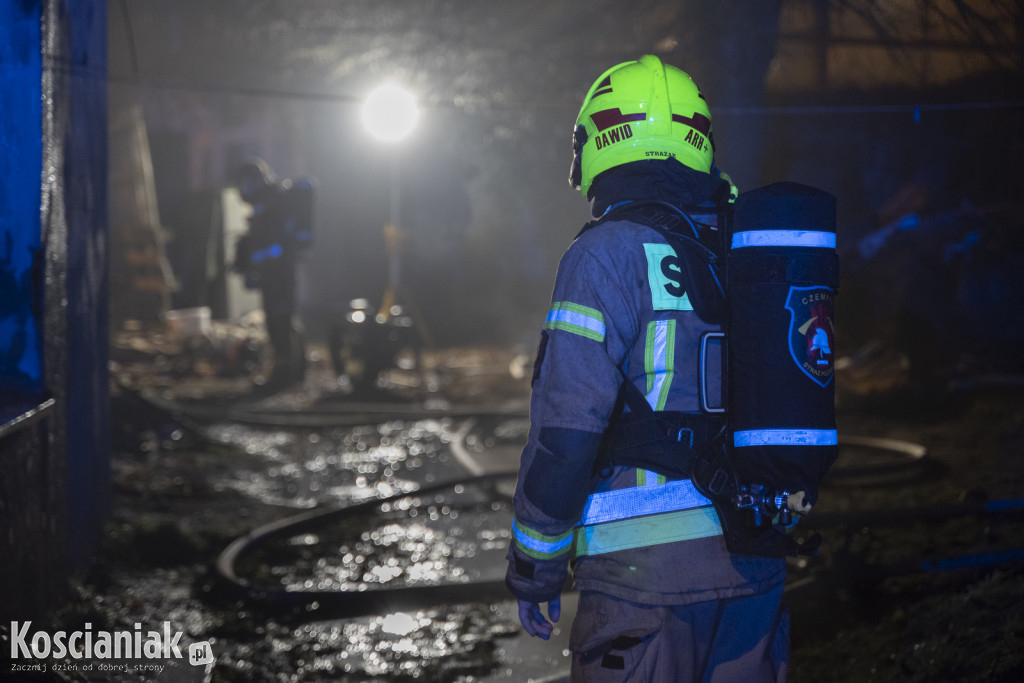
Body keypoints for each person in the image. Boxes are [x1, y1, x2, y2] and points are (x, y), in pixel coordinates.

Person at [505, 55, 789, 681]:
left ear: (598, 142)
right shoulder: (747, 246)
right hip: (756, 565)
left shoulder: (604, 254)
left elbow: (566, 432)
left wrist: (536, 564)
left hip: (645, 582)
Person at [234, 157, 313, 390]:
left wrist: (258, 263)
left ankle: (283, 374)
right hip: (274, 272)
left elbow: (273, 243)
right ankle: (296, 370)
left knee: (278, 321)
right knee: (284, 318)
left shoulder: (272, 200)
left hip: (278, 273)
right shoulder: (267, 200)